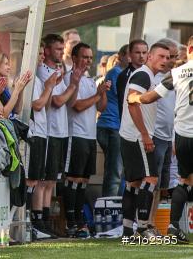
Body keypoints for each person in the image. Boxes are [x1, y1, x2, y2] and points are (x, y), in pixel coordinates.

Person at [130, 37, 192, 243]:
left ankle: (173, 226)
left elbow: (150, 97)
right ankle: (156, 226)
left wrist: (135, 98)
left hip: (182, 135)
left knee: (183, 181)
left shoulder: (176, 74)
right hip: (174, 133)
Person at [118, 42, 170, 240]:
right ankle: (142, 228)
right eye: (161, 56)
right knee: (151, 180)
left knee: (133, 183)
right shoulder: (143, 74)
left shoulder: (150, 76)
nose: (165, 60)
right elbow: (133, 102)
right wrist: (145, 134)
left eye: (168, 57)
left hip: (132, 135)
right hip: (137, 136)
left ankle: (126, 231)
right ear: (150, 56)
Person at [35, 33, 79, 237]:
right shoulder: (43, 72)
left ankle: (46, 220)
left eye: (63, 49)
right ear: (47, 51)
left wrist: (73, 84)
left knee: (52, 180)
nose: (62, 53)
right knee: (43, 179)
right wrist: (71, 85)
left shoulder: (62, 70)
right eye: (58, 49)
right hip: (48, 131)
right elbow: (57, 101)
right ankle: (39, 220)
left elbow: (69, 102)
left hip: (62, 131)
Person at [64, 43, 108, 238]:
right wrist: (97, 95)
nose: (88, 61)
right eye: (84, 57)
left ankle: (80, 220)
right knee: (73, 178)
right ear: (74, 58)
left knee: (83, 180)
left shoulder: (90, 79)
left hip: (90, 135)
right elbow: (77, 106)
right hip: (76, 134)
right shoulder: (70, 78)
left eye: (90, 57)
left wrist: (102, 92)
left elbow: (101, 107)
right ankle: (71, 221)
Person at [28, 66, 60, 239]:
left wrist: (50, 87)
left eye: (40, 53)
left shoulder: (40, 80)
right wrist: (49, 87)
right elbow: (37, 105)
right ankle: (34, 222)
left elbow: (45, 105)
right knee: (34, 181)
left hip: (43, 131)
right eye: (37, 53)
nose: (39, 57)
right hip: (33, 132)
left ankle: (43, 222)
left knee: (44, 180)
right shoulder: (32, 79)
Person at [97, 44, 128, 198]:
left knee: (118, 172)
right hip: (111, 126)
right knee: (115, 172)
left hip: (116, 127)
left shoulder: (124, 72)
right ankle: (109, 207)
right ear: (121, 56)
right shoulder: (116, 72)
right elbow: (124, 97)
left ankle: (117, 208)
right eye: (131, 54)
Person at [116, 39, 148, 118]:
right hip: (131, 124)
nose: (141, 56)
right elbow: (125, 103)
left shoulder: (150, 73)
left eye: (144, 53)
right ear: (130, 54)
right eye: (137, 52)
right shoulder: (125, 75)